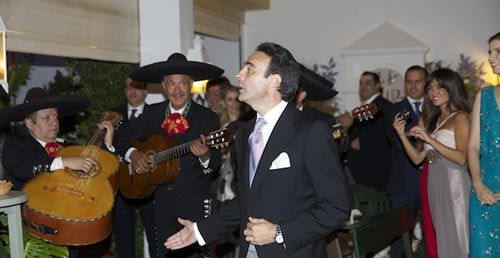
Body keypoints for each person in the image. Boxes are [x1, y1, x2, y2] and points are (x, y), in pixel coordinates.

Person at [164, 42, 350, 258]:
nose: (239, 74)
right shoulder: (244, 134)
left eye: (249, 68)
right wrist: (199, 231)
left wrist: (280, 233)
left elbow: (336, 207)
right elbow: (247, 201)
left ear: (274, 81)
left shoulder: (311, 131)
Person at [114, 52, 224, 258]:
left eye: (182, 84)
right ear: (164, 87)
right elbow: (122, 135)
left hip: (194, 201)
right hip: (161, 202)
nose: (177, 90)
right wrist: (134, 154)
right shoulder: (153, 114)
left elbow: (215, 163)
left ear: (190, 86)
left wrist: (205, 155)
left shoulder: (207, 118)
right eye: (172, 84)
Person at [0, 87, 115, 258]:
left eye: (55, 116)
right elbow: (22, 167)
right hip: (30, 231)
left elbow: (99, 173)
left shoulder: (69, 147)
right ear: (29, 123)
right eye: (46, 118)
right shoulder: (15, 145)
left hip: (68, 226)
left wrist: (107, 145)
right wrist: (62, 162)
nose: (54, 122)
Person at [393, 68, 471, 257]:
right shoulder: (435, 120)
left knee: (458, 237)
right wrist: (402, 134)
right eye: (430, 88)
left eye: (438, 87)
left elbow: (462, 157)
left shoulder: (460, 117)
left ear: (451, 88)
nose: (433, 92)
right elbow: (418, 158)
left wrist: (430, 139)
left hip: (454, 183)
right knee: (442, 238)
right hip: (434, 183)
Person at [112, 78, 157, 257]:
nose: (132, 91)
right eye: (128, 87)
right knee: (123, 237)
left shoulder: (155, 114)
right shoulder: (113, 114)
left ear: (146, 91)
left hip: (149, 184)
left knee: (155, 235)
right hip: (123, 182)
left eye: (137, 87)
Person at [386, 65, 427, 258]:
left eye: (418, 81)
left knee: (432, 235)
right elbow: (396, 142)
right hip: (403, 184)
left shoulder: (435, 107)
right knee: (400, 240)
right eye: (409, 81)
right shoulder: (394, 109)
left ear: (425, 83)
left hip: (431, 180)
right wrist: (419, 136)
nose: (413, 86)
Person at [467, 32, 500, 258]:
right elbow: (472, 147)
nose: (490, 57)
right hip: (484, 194)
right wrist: (478, 184)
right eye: (490, 51)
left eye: (497, 51)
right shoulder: (484, 95)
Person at [342, 71, 393, 191]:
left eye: (368, 83)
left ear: (377, 85)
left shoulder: (383, 106)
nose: (363, 87)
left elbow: (383, 135)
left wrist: (360, 140)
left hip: (374, 173)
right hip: (360, 174)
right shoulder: (360, 109)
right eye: (361, 83)